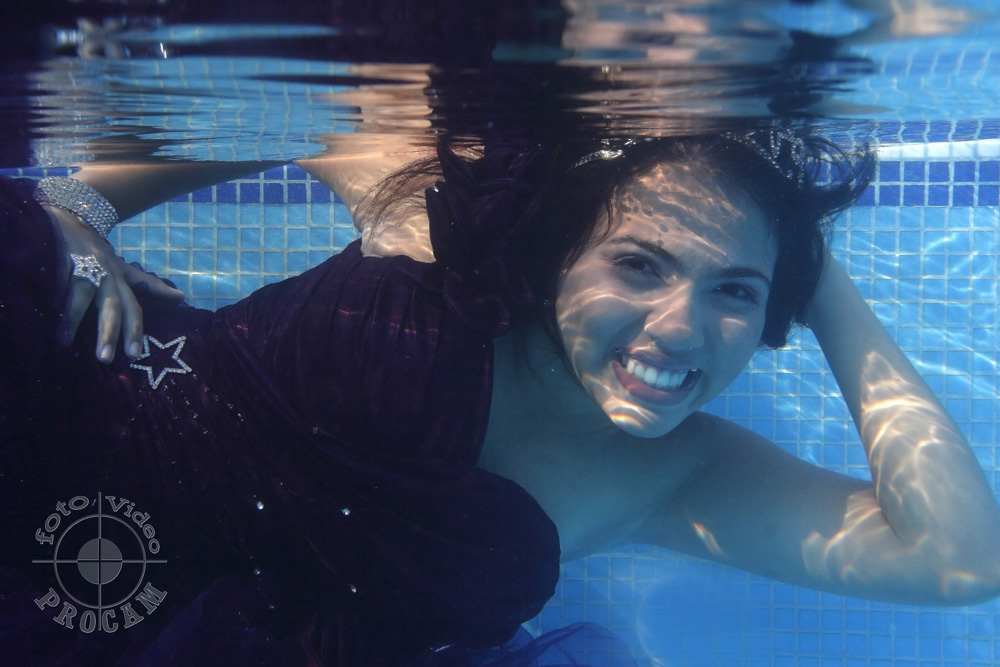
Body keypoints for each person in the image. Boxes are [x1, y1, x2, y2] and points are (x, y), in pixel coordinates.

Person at [2, 130, 999, 666]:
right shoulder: (430, 234)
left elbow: (956, 559)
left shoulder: (679, 473)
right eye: (639, 264)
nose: (680, 330)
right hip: (60, 410)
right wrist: (80, 212)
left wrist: (809, 267)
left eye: (735, 293)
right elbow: (298, 120)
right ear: (558, 253)